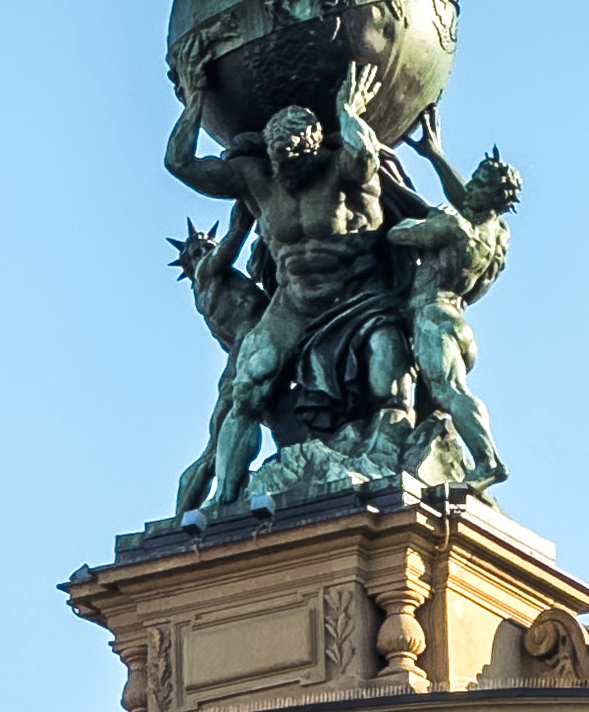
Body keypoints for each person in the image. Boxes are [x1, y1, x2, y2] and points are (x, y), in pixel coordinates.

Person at [164, 62, 402, 512]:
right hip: (292, 302)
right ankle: (226, 500)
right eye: (278, 160)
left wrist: (349, 112)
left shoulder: (344, 172)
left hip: (358, 299)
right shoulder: (258, 178)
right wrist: (195, 99)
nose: (285, 170)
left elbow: (366, 158)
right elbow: (180, 163)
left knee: (387, 382)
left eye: (293, 160)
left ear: (313, 147)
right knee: (246, 390)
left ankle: (381, 455)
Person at [381, 104, 520, 497]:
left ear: (489, 196)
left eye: (478, 183)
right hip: (459, 321)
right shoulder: (497, 233)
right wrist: (435, 155)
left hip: (431, 318)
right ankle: (442, 460)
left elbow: (398, 234)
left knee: (450, 393)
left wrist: (426, 217)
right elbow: (466, 201)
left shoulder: (451, 226)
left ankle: (488, 461)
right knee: (439, 401)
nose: (469, 186)